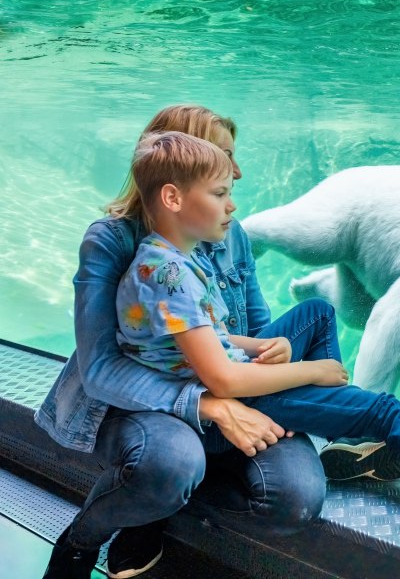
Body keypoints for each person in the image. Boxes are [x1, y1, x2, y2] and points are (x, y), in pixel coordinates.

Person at [62, 130, 400, 575]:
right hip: (212, 395)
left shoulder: (178, 257)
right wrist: (313, 371)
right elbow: (221, 380)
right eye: (221, 191)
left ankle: (345, 435)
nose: (234, 202)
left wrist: (263, 344)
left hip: (216, 374)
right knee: (383, 409)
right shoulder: (168, 271)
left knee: (317, 314)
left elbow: (192, 332)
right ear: (174, 198)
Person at [38, 106, 347, 579]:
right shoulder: (113, 241)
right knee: (171, 462)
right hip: (136, 403)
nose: (237, 173)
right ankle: (88, 536)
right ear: (175, 179)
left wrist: (272, 352)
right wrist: (208, 404)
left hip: (222, 381)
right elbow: (100, 370)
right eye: (224, 157)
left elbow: (254, 329)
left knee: (295, 500)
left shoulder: (231, 232)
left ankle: (158, 503)